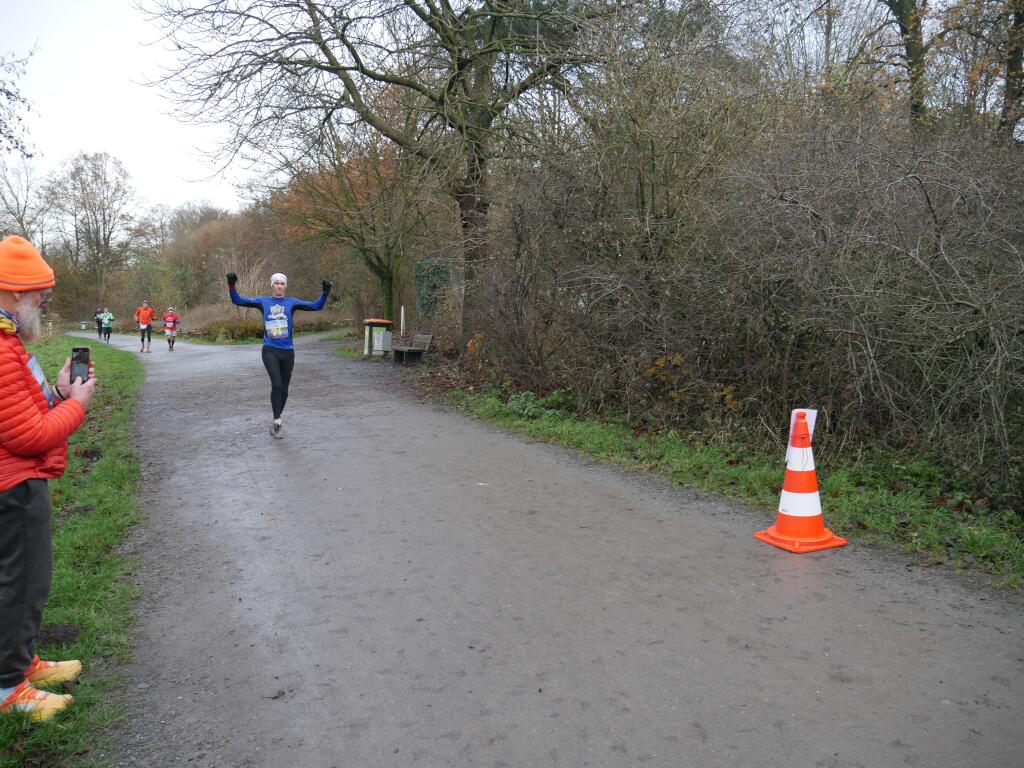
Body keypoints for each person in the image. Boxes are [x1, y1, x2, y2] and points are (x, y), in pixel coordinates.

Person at [0, 235, 97, 723]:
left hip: (15, 482)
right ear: (16, 291)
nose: (43, 302)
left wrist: (57, 395)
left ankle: (21, 663)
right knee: (21, 584)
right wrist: (77, 406)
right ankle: (9, 688)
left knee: (24, 581)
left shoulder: (8, 341)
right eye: (39, 293)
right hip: (12, 489)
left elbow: (22, 414)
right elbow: (29, 436)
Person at [227, 271, 331, 438]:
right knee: (276, 384)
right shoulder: (263, 302)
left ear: (285, 286)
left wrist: (325, 293)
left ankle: (276, 417)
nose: (279, 286)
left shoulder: (292, 303)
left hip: (287, 351)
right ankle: (277, 422)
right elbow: (238, 300)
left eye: (282, 283)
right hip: (270, 350)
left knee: (284, 390)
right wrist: (232, 285)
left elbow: (316, 306)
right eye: (277, 283)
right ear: (272, 285)